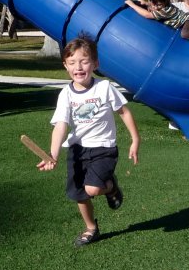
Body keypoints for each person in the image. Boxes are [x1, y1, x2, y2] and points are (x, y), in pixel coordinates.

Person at [37, 35, 140, 247]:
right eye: (72, 62)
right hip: (77, 150)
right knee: (79, 193)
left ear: (95, 63)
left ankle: (110, 187)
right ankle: (91, 228)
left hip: (103, 148)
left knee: (92, 189)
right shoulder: (66, 94)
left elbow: (124, 112)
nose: (79, 67)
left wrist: (135, 139)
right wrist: (53, 154)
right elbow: (60, 125)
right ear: (65, 65)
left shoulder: (104, 88)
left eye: (84, 61)